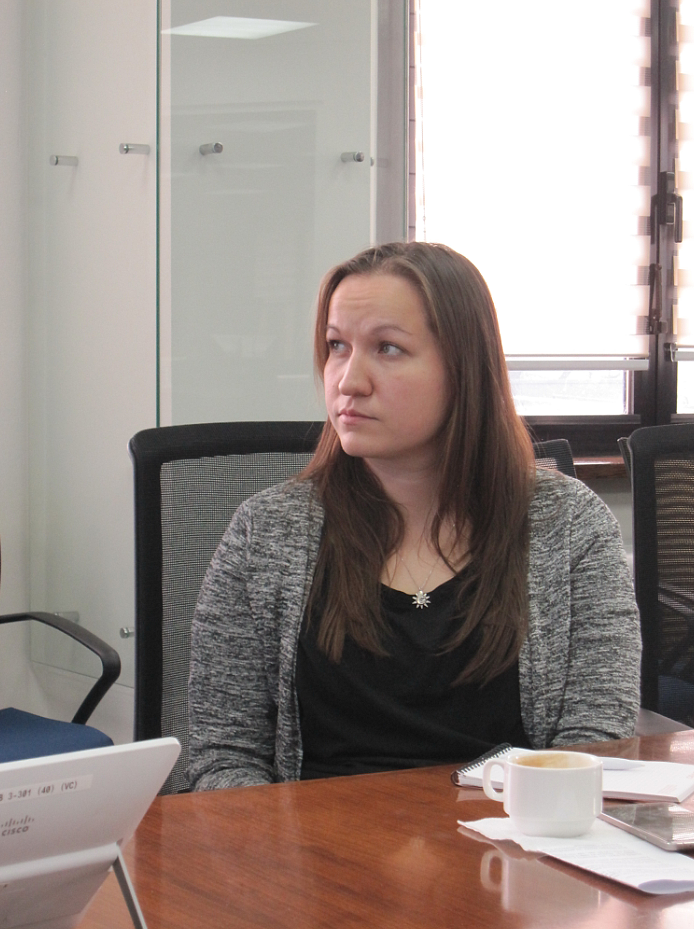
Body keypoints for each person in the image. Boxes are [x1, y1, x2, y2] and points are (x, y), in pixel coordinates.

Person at [187, 241, 641, 790]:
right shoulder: (265, 532)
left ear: (464, 368)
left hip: (508, 835)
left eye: (388, 348)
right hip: (312, 838)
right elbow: (223, 753)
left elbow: (594, 742)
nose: (348, 381)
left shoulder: (569, 524)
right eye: (336, 346)